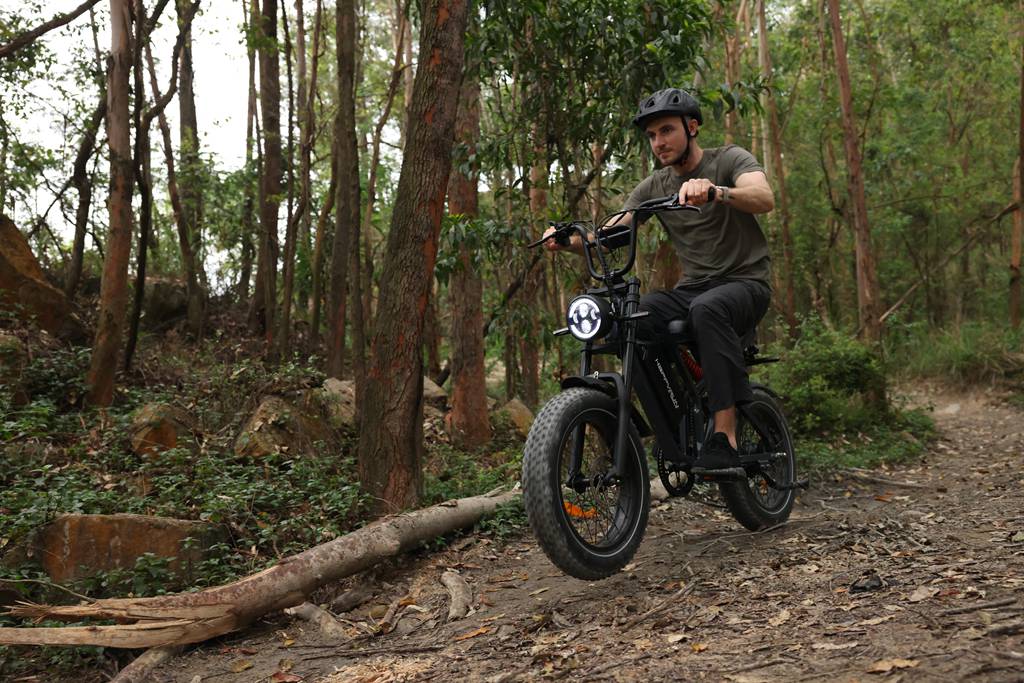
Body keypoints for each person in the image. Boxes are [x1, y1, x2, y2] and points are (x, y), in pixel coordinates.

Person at [543, 87, 775, 475]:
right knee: (630, 314)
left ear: (692, 127)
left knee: (708, 308)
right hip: (694, 288)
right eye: (651, 136)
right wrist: (567, 240)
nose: (658, 142)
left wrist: (716, 192)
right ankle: (678, 410)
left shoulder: (729, 159)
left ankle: (725, 435)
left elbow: (763, 197)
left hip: (745, 283)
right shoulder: (655, 186)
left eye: (666, 130)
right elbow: (613, 231)